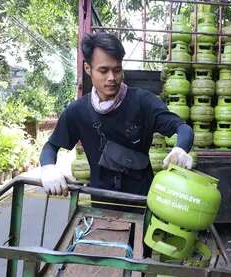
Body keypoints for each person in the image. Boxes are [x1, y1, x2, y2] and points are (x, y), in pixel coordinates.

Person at [40, 32, 194, 196]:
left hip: (142, 202)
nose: (112, 78)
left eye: (117, 70)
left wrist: (180, 149)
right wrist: (48, 167)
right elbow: (51, 146)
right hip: (101, 204)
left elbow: (182, 128)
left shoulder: (143, 102)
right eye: (103, 71)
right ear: (88, 69)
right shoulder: (78, 111)